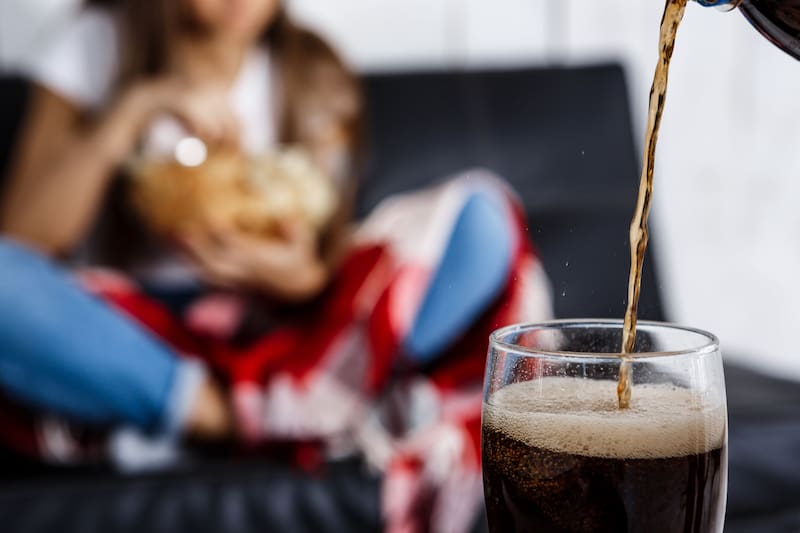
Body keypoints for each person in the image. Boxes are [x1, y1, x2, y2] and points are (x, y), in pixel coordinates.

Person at [0, 0, 552, 531]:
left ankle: (279, 401)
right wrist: (132, 111)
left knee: (483, 216)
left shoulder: (311, 70)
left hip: (289, 335)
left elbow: (325, 258)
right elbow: (22, 237)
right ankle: (233, 415)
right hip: (130, 335)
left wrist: (294, 277)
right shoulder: (99, 41)